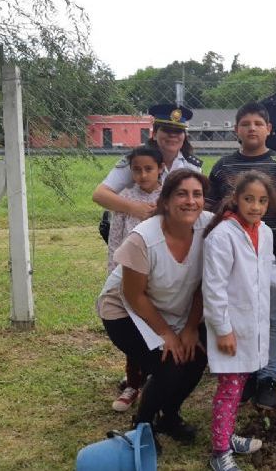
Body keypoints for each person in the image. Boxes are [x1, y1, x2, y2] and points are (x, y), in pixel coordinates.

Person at [202, 171, 276, 471]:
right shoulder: (223, 235)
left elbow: (265, 272)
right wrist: (223, 330)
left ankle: (227, 437)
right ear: (236, 199)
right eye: (249, 199)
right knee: (229, 389)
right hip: (231, 328)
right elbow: (213, 289)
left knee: (239, 386)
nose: (255, 206)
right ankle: (219, 452)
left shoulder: (263, 232)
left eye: (262, 200)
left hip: (251, 325)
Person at [205, 102, 276, 410]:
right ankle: (246, 374)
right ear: (236, 130)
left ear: (270, 129)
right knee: (241, 317)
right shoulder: (223, 166)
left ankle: (268, 375)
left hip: (273, 255)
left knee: (271, 318)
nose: (252, 128)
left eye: (258, 123)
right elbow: (210, 207)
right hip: (234, 261)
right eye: (245, 123)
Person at [97, 169, 210, 447]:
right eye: (182, 194)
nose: (190, 201)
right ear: (166, 200)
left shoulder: (210, 228)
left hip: (173, 305)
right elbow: (134, 295)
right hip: (124, 309)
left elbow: (203, 285)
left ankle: (168, 416)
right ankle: (142, 426)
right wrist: (167, 335)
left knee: (196, 356)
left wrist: (190, 328)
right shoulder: (143, 238)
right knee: (168, 366)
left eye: (197, 194)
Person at [105, 146, 164, 413]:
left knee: (156, 328)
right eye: (137, 169)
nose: (142, 174)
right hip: (131, 275)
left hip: (160, 275)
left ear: (160, 168)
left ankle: (156, 382)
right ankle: (132, 383)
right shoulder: (126, 198)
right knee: (133, 327)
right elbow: (116, 239)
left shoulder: (169, 196)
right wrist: (114, 272)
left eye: (148, 169)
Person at [93, 104, 202, 221]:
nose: (173, 135)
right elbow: (100, 195)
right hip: (137, 227)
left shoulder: (192, 167)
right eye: (166, 130)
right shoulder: (137, 160)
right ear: (154, 134)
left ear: (184, 136)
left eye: (178, 131)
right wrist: (134, 208)